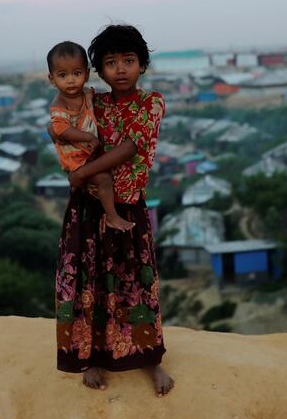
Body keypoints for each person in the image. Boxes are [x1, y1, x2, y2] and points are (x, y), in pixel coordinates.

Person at [53, 25, 175, 396]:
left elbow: (129, 149)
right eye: (110, 63)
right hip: (89, 208)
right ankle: (91, 359)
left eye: (128, 61)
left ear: (142, 64)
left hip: (128, 206)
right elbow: (61, 127)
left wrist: (80, 175)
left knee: (137, 283)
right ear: (98, 70)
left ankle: (151, 360)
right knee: (90, 283)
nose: (120, 69)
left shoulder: (151, 102)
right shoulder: (94, 103)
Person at [46, 41, 135, 232]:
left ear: (86, 74)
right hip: (76, 160)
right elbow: (60, 129)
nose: (70, 80)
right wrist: (87, 137)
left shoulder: (87, 95)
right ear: (52, 79)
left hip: (88, 156)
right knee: (103, 179)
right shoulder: (60, 104)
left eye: (76, 74)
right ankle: (112, 217)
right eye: (63, 75)